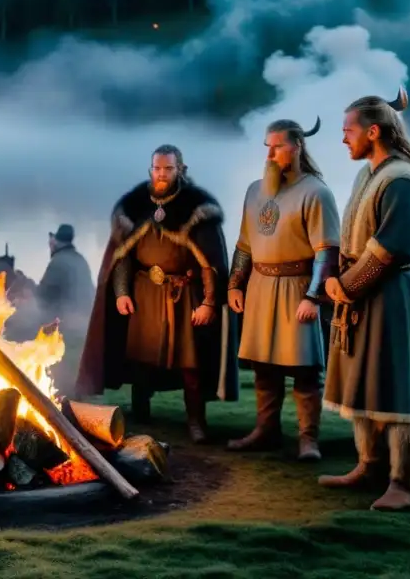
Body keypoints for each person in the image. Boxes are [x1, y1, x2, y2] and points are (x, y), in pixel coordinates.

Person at [319, 88, 410, 511]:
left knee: (395, 389)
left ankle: (403, 482)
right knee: (365, 381)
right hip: (361, 295)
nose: (343, 139)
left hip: (389, 297)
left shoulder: (402, 181)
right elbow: (354, 238)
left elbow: (391, 248)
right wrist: (338, 279)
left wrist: (345, 287)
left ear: (373, 131)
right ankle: (369, 465)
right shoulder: (369, 173)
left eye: (348, 131)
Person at [75, 144, 239, 443]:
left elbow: (211, 262)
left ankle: (195, 420)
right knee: (141, 357)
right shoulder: (136, 204)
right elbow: (123, 255)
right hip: (144, 292)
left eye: (168, 169)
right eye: (157, 168)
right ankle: (141, 412)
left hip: (183, 294)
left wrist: (209, 302)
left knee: (190, 363)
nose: (161, 174)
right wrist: (121, 292)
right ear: (150, 169)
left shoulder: (195, 206)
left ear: (180, 170)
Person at [226, 118, 341, 461]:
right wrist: (235, 283)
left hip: (297, 286)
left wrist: (313, 296)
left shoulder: (316, 192)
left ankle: (308, 439)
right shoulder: (254, 190)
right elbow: (245, 244)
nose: (270, 153)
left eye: (277, 145)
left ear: (297, 146)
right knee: (264, 365)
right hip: (260, 285)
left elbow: (327, 249)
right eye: (267, 146)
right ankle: (267, 431)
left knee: (305, 368)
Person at [36, 224, 96, 333]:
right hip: (87, 323)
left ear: (57, 242)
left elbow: (42, 295)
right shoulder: (80, 259)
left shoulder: (59, 261)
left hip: (69, 325)